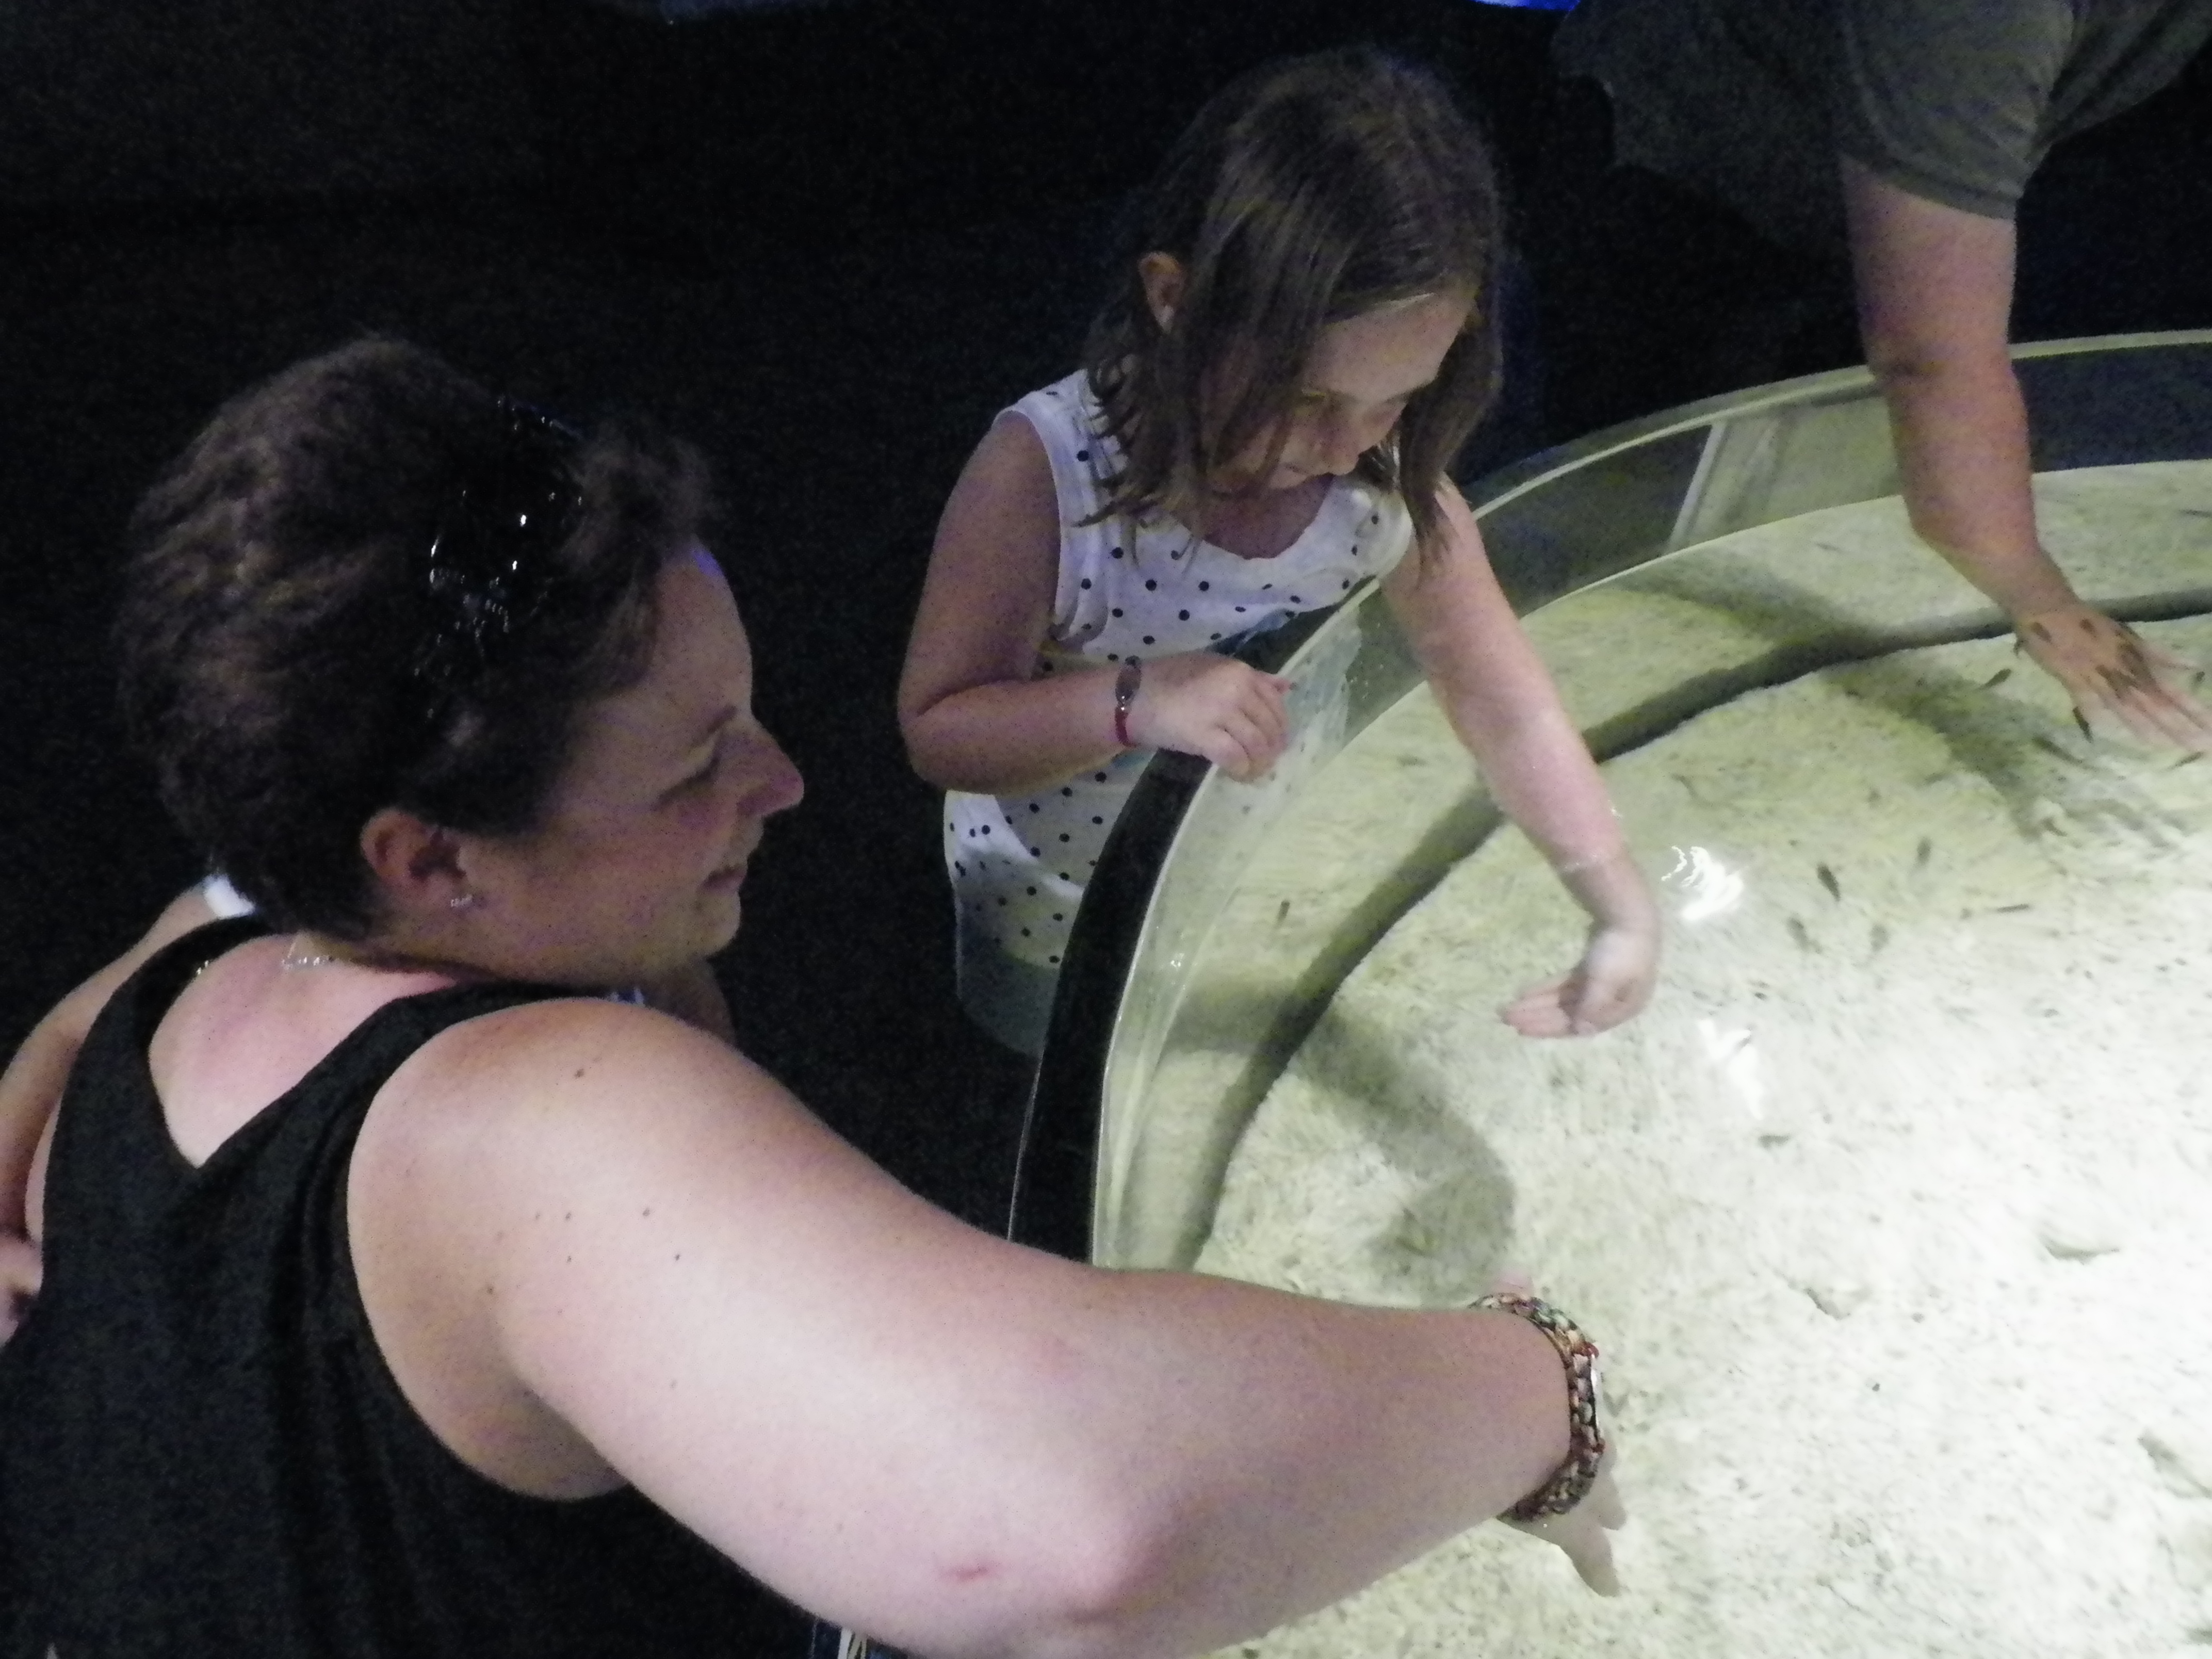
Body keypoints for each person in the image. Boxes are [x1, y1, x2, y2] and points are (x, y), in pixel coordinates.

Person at [0, 338, 1624, 1658]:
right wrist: (1537, 1388)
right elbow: (1078, 1530)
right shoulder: (517, 1130)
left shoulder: (200, 971)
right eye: (698, 768)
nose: (783, 783)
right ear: (428, 862)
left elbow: (107, 994)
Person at [898, 47, 1663, 1058]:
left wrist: (1615, 901)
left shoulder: (1384, 486)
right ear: (1174, 301)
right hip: (1054, 903)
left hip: (1240, 884)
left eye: (1396, 400)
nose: (1347, 447)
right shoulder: (1043, 472)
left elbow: (1506, 704)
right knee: (1038, 1066)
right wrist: (1135, 702)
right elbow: (941, 728)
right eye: (1308, 397)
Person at [1538, 0, 2212, 748]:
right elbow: (1929, 360)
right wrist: (2047, 606)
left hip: (1879, 170)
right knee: (1628, 516)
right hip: (1673, 158)